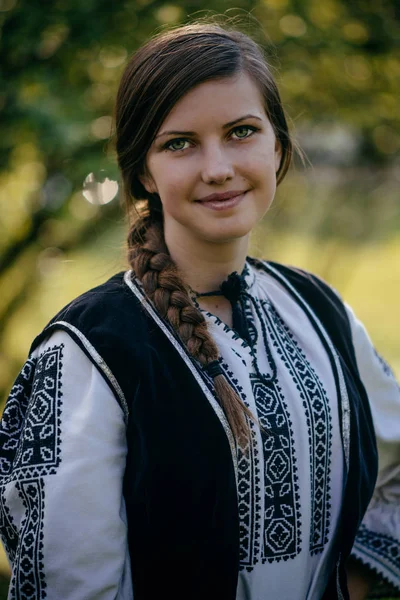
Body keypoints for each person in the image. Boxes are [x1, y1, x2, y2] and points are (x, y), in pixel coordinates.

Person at [0, 20, 399, 600]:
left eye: (241, 131)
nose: (217, 167)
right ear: (143, 171)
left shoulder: (320, 310)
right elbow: (68, 582)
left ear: (278, 146)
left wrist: (351, 582)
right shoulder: (88, 351)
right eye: (179, 143)